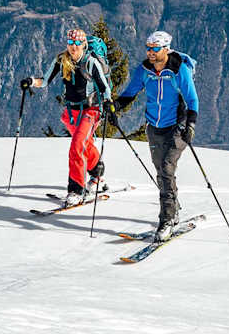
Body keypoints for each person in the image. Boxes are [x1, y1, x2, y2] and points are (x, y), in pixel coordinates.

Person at [106, 29, 199, 241]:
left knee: (166, 169)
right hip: (154, 127)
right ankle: (173, 208)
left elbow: (192, 99)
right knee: (161, 172)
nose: (150, 52)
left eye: (155, 48)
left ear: (166, 49)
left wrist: (191, 125)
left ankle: (166, 220)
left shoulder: (179, 70)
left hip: (177, 126)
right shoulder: (144, 70)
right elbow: (130, 93)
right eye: (148, 48)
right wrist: (115, 106)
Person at [23, 27, 112, 206]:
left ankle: (76, 190)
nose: (73, 46)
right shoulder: (61, 60)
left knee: (77, 146)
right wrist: (31, 82)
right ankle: (97, 175)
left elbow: (105, 87)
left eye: (77, 43)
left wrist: (109, 104)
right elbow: (45, 81)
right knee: (85, 144)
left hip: (91, 110)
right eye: (70, 42)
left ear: (84, 44)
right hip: (72, 112)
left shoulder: (91, 62)